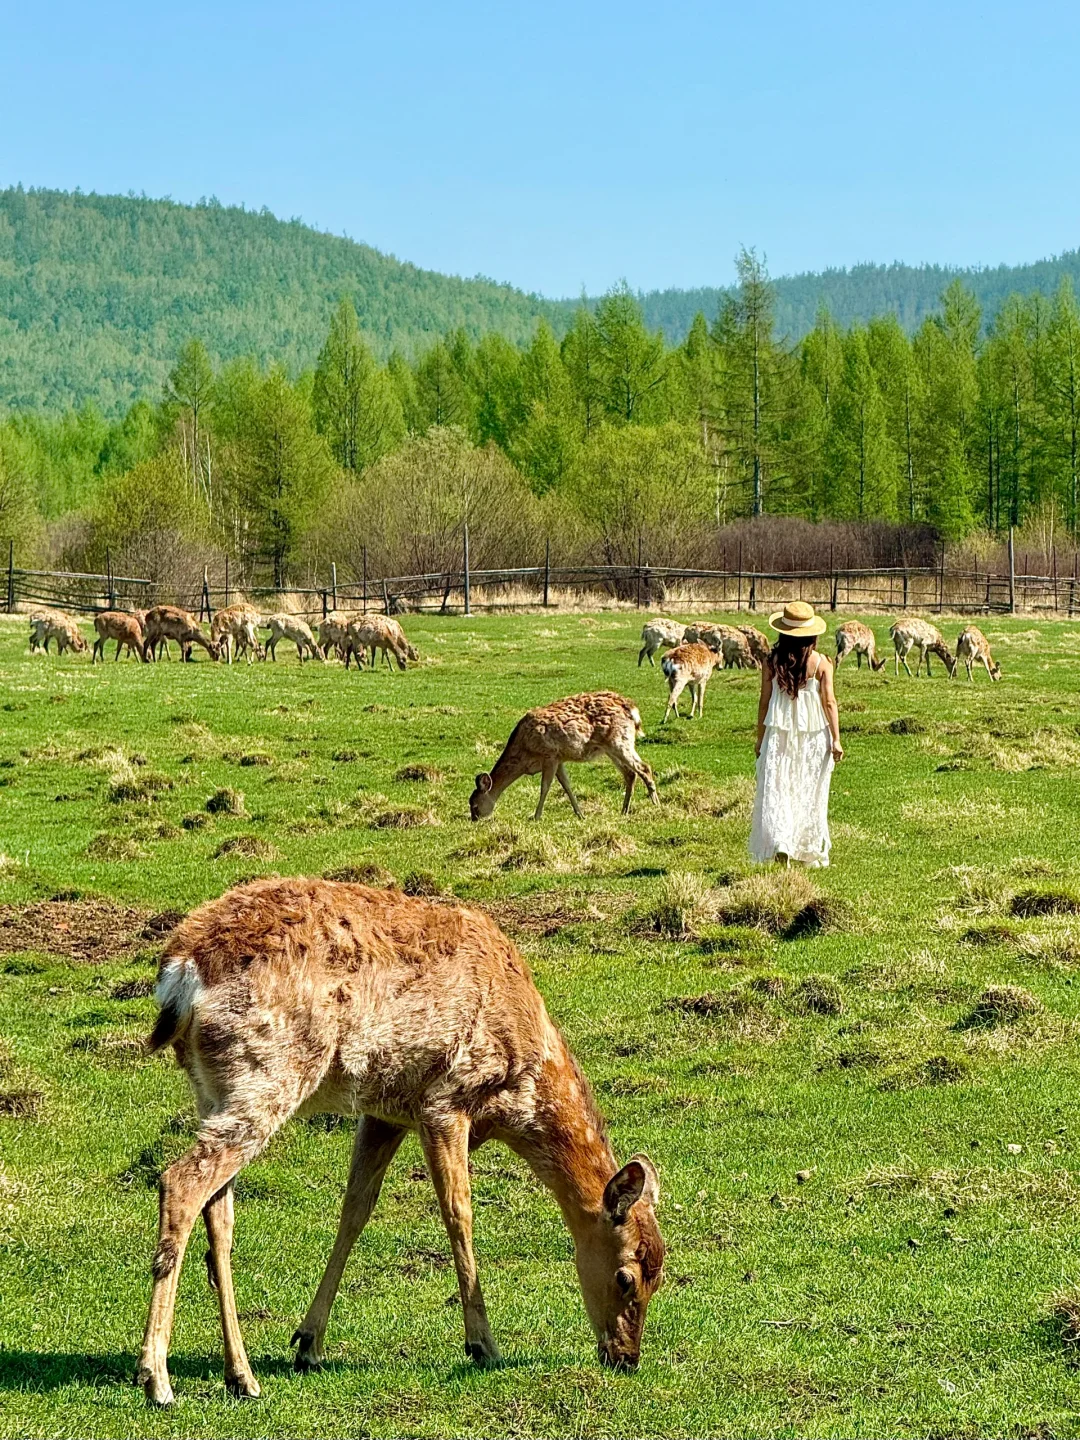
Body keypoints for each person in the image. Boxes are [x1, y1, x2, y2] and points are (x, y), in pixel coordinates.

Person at [749, 600, 843, 868]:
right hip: (813, 736)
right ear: (812, 633)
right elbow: (829, 703)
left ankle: (781, 842)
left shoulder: (771, 662)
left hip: (778, 734)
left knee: (777, 786)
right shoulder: (822, 663)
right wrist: (836, 739)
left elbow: (764, 702)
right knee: (808, 788)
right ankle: (803, 847)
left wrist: (759, 738)